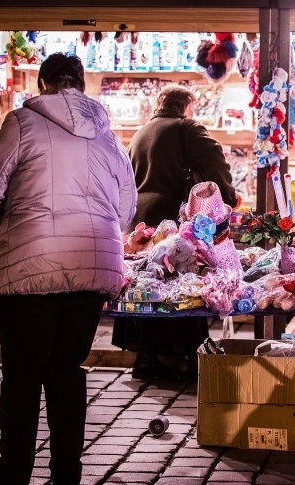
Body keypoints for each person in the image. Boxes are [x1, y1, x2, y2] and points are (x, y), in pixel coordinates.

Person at [0, 53, 136, 485]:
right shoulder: (109, 137)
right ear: (82, 85)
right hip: (92, 263)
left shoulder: (22, 121)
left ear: (43, 83)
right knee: (67, 371)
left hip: (30, 262)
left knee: (23, 375)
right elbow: (125, 209)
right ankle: (67, 476)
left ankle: (12, 483)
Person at [112, 85, 238, 380]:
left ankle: (147, 358)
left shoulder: (142, 133)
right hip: (176, 224)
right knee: (182, 288)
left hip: (141, 225)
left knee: (149, 287)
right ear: (187, 106)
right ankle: (184, 359)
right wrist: (227, 198)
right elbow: (215, 164)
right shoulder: (188, 129)